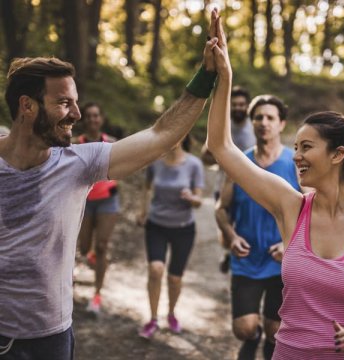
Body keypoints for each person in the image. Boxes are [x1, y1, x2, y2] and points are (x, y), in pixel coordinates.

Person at [0, 10, 220, 360]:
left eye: (76, 102)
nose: (76, 114)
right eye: (63, 102)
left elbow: (161, 135)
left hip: (49, 338)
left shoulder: (78, 164)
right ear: (27, 106)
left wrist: (206, 77)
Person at [206, 18, 344, 359]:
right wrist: (225, 76)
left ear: (338, 154)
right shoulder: (290, 205)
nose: (296, 156)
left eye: (306, 147)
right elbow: (221, 147)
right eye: (295, 147)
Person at [215, 94, 299, 359]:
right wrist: (231, 235)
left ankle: (270, 350)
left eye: (270, 118)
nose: (264, 123)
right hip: (247, 259)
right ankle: (253, 338)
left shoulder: (296, 164)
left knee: (277, 331)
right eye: (258, 117)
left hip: (283, 262)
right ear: (251, 123)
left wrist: (290, 243)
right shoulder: (238, 163)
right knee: (244, 328)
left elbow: (312, 211)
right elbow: (220, 209)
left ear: (282, 124)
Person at [136, 134, 204, 338]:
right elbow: (147, 188)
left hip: (183, 228)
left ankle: (172, 314)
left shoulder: (194, 164)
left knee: (175, 278)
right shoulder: (155, 161)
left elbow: (199, 200)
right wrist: (142, 211)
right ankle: (153, 319)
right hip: (156, 225)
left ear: (183, 136)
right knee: (155, 269)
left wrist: (192, 198)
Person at [201, 85, 256, 273]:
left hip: (250, 187)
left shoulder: (255, 127)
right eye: (235, 104)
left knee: (245, 225)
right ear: (229, 106)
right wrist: (226, 157)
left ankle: (245, 258)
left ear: (247, 106)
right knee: (224, 223)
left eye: (242, 104)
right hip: (223, 185)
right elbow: (205, 157)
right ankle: (226, 252)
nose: (238, 108)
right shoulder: (221, 125)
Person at [74, 102, 120, 315]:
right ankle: (93, 257)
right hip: (84, 201)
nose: (93, 119)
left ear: (101, 118)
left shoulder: (111, 143)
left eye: (96, 115)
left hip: (107, 201)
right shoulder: (75, 144)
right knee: (84, 249)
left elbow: (123, 165)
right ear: (84, 119)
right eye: (89, 116)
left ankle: (97, 295)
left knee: (102, 246)